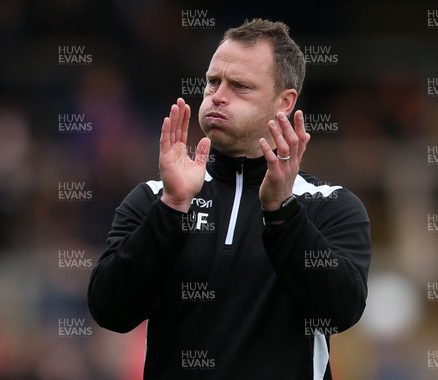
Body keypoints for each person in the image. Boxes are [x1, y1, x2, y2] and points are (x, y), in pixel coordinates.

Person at [88, 18, 371, 380]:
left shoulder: (329, 204)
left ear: (285, 102)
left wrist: (283, 212)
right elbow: (110, 311)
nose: (218, 95)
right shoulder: (155, 197)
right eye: (212, 82)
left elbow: (341, 311)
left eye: (239, 86)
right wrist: (171, 209)